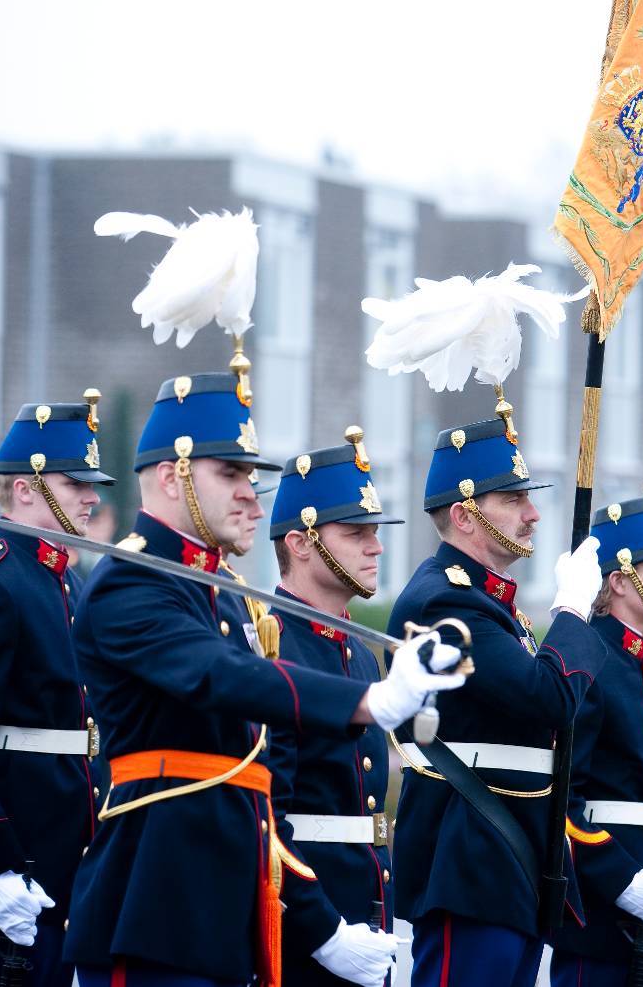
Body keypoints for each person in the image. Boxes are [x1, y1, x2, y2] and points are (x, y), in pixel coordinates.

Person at [62, 373, 465, 987]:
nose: (253, 496)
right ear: (172, 477)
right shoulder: (131, 580)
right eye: (231, 475)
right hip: (155, 909)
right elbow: (220, 676)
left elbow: (257, 789)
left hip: (224, 920)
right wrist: (372, 700)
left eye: (250, 478)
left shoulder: (219, 597)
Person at [387, 413, 608, 987]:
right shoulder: (446, 604)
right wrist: (573, 611)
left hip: (509, 860)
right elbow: (548, 699)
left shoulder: (495, 608)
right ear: (464, 515)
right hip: (472, 860)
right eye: (513, 500)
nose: (533, 514)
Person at [0, 393, 114, 987]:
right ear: (28, 490)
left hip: (71, 861)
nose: (92, 498)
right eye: (76, 484)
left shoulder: (70, 584)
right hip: (17, 864)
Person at [267, 426, 402, 987]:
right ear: (302, 542)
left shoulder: (361, 654)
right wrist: (322, 930)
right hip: (307, 925)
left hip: (366, 910)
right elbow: (268, 816)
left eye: (375, 532)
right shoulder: (270, 642)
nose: (376, 547)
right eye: (356, 533)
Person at [548, 480, 643, 987]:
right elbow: (558, 796)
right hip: (600, 906)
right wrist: (616, 877)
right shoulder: (592, 660)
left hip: (642, 904)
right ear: (619, 582)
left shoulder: (635, 663)